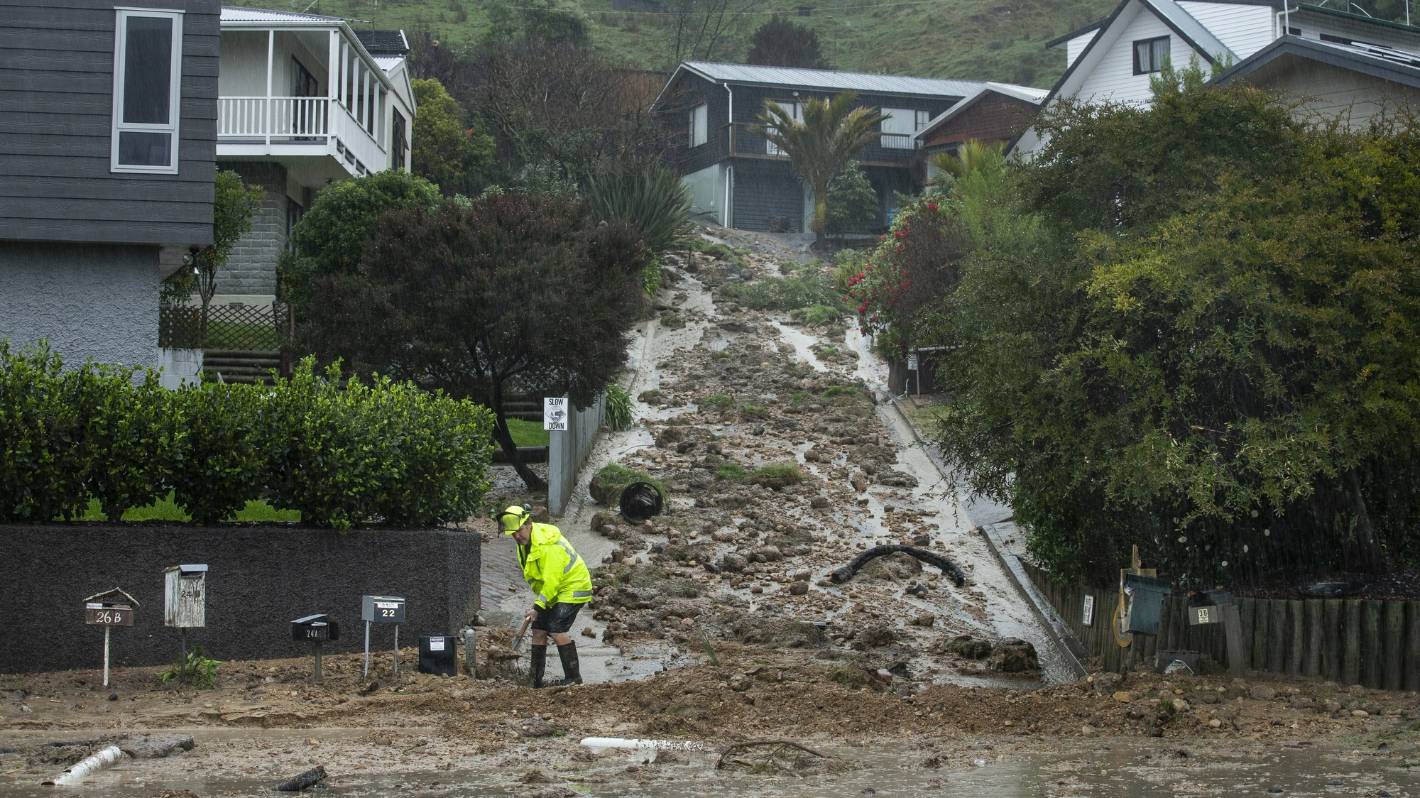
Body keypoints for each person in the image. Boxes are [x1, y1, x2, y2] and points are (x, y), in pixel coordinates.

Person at [499, 505, 594, 688]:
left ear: (529, 524)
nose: (517, 536)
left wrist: (537, 607)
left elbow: (552, 580)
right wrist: (539, 606)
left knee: (555, 628)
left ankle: (574, 678)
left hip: (573, 587)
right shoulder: (525, 544)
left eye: (519, 531)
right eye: (513, 534)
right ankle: (535, 680)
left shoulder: (547, 544)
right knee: (538, 629)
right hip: (554, 591)